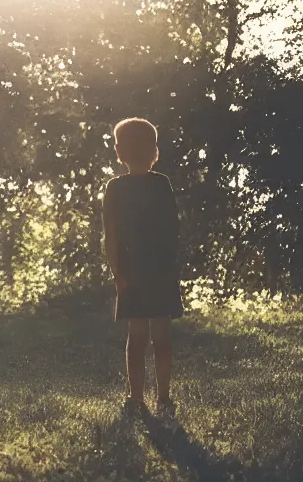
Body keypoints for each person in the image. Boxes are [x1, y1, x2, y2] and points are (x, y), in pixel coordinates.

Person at [102, 117, 183, 417]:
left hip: (131, 270)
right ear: (155, 151)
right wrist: (172, 266)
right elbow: (173, 228)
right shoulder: (162, 184)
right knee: (161, 334)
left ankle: (136, 398)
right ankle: (163, 397)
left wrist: (117, 273)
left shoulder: (115, 188)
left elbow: (111, 234)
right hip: (160, 267)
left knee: (136, 337)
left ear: (119, 151)